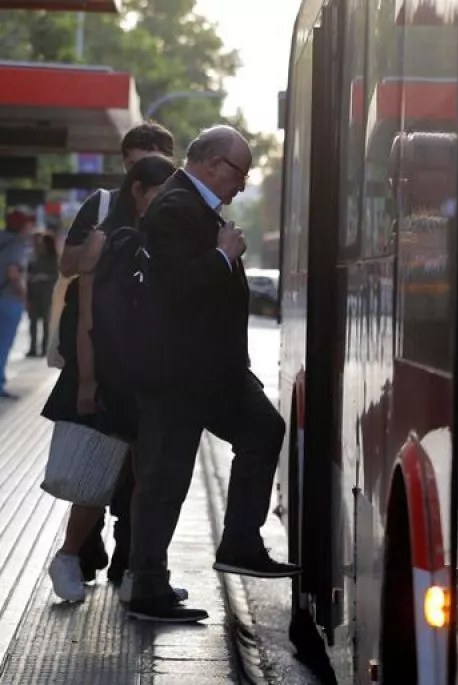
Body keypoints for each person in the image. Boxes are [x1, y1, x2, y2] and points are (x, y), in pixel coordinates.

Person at [127, 125, 298, 623]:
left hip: (209, 373)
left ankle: (241, 542)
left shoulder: (194, 206)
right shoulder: (177, 207)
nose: (242, 184)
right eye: (240, 172)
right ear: (213, 164)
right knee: (165, 480)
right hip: (179, 375)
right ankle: (147, 590)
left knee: (263, 429)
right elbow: (176, 288)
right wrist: (223, 255)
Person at [41, 156, 187, 603]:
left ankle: (139, 574)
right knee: (96, 478)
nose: (168, 203)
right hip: (107, 374)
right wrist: (87, 382)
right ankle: (67, 556)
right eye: (161, 193)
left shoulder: (166, 239)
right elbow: (87, 318)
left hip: (150, 376)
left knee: (147, 480)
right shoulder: (106, 240)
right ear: (138, 190)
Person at [0, 211, 34, 399]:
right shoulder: (17, 245)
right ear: (21, 226)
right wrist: (24, 296)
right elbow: (13, 274)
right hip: (8, 299)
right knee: (3, 344)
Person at [25, 233, 56, 357]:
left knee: (45, 323)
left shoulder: (52, 258)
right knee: (32, 323)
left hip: (46, 295)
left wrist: (43, 277)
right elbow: (27, 276)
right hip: (33, 294)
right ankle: (33, 348)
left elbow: (56, 276)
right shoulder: (33, 258)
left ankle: (44, 348)